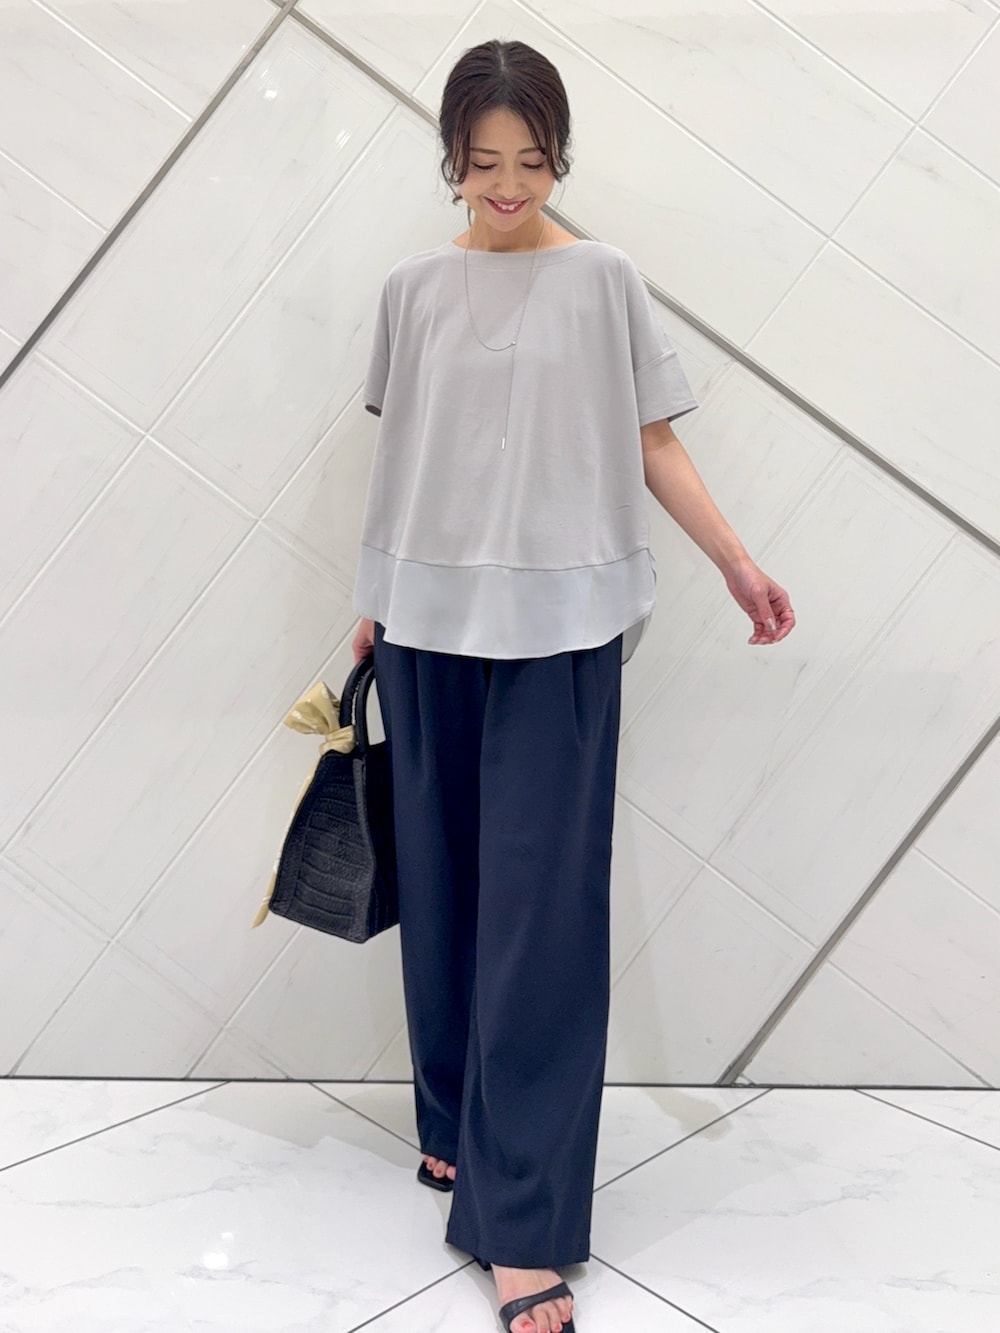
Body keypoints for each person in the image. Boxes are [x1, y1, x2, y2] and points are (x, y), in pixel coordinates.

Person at [350, 38, 796, 1333]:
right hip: (426, 627)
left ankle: (523, 1221)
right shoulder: (410, 289)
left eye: (532, 161)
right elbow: (403, 460)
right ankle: (454, 1123)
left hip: (560, 633)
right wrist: (370, 602)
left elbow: (653, 443)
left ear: (559, 158)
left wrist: (738, 563)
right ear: (450, 158)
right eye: (483, 161)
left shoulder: (603, 280)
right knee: (445, 895)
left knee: (541, 920)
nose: (507, 185)